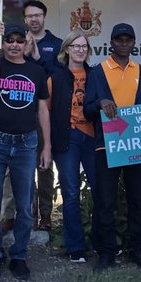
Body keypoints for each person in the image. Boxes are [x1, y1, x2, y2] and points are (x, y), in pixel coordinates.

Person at [84, 22, 141, 271]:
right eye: (118, 39)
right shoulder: (98, 72)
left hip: (137, 147)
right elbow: (87, 110)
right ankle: (106, 253)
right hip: (107, 148)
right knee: (105, 202)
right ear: (111, 43)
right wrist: (100, 103)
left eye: (127, 39)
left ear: (133, 43)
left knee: (137, 201)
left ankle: (137, 251)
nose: (123, 43)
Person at [0, 21, 51, 281]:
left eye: (20, 40)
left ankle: (19, 255)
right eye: (10, 40)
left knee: (25, 204)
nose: (14, 45)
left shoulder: (36, 71)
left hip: (26, 143)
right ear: (4, 42)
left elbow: (42, 110)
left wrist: (47, 146)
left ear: (27, 42)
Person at [47, 30, 96, 263]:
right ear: (66, 49)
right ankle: (76, 247)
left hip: (93, 138)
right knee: (71, 192)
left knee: (101, 190)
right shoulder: (55, 77)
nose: (80, 50)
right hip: (67, 138)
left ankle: (102, 242)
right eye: (75, 46)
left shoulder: (95, 75)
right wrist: (47, 145)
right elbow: (45, 113)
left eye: (84, 46)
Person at [23, 0, 62, 231]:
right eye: (30, 16)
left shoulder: (56, 44)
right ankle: (29, 213)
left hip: (47, 113)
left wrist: (37, 59)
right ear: (25, 19)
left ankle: (46, 214)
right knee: (24, 168)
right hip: (21, 113)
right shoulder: (16, 42)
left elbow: (59, 76)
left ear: (44, 17)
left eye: (37, 15)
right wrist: (25, 53)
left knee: (45, 166)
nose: (34, 19)